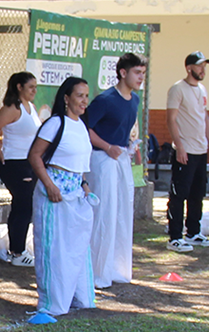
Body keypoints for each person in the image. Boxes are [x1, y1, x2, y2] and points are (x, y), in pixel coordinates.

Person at [28, 76, 96, 319]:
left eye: (87, 96)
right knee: (54, 248)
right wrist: (49, 185)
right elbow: (35, 156)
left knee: (75, 247)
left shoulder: (81, 126)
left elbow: (80, 163)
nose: (84, 101)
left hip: (76, 195)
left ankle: (78, 298)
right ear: (66, 98)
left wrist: (85, 184)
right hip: (53, 195)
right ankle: (52, 302)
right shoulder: (55, 124)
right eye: (79, 95)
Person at [85, 53, 147, 289]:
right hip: (102, 160)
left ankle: (115, 267)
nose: (141, 78)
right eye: (137, 73)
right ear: (123, 72)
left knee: (120, 212)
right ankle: (95, 269)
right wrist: (106, 146)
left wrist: (129, 149)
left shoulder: (135, 100)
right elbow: (86, 128)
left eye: (143, 73)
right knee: (104, 213)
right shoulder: (106, 100)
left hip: (120, 159)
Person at [0, 72, 40, 267]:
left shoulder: (30, 107)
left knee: (22, 206)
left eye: (35, 86)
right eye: (30, 87)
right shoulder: (13, 108)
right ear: (19, 87)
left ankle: (17, 249)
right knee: (23, 206)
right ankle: (17, 252)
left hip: (28, 162)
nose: (34, 90)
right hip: (15, 163)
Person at [165, 51, 209, 252]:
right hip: (184, 150)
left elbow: (205, 118)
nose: (202, 69)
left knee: (197, 193)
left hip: (201, 150)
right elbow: (171, 120)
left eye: (204, 66)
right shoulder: (177, 89)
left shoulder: (202, 90)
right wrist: (179, 146)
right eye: (199, 66)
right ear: (189, 68)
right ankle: (175, 237)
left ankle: (193, 232)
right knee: (179, 194)